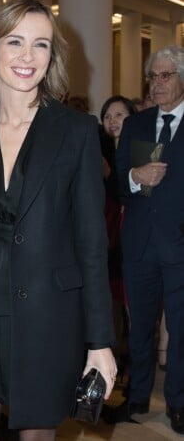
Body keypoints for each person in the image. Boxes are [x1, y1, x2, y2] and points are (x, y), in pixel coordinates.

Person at [0, 0, 116, 441]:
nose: (26, 56)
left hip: (46, 316)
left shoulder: (76, 132)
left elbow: (91, 245)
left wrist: (100, 343)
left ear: (51, 56)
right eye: (15, 41)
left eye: (40, 45)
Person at [109, 45, 184, 434]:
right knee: (139, 327)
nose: (157, 83)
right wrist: (136, 178)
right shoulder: (137, 125)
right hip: (139, 244)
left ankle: (178, 401)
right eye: (153, 76)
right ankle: (137, 396)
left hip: (180, 246)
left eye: (166, 75)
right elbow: (118, 184)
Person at [100, 96, 136, 372]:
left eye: (119, 115)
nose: (113, 121)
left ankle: (133, 357)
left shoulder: (139, 151)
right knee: (111, 298)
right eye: (108, 116)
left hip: (128, 231)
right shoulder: (99, 150)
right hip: (106, 232)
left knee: (130, 299)